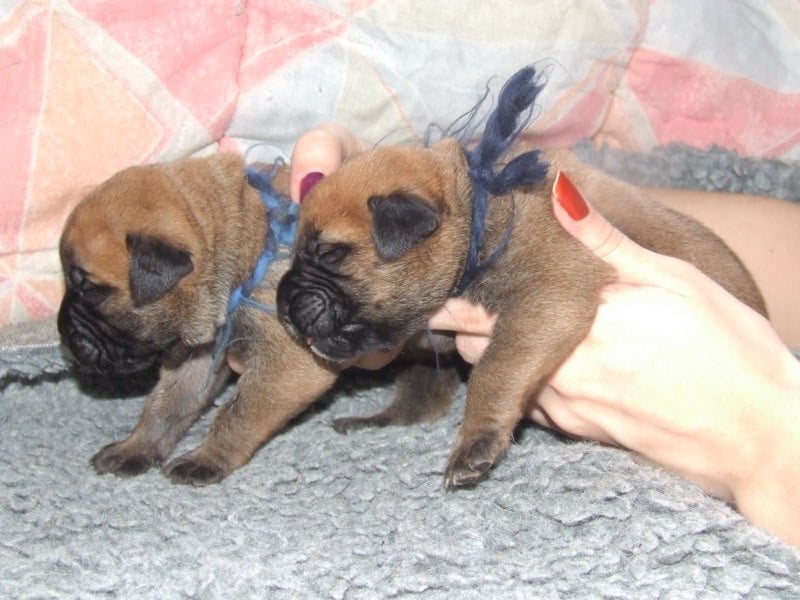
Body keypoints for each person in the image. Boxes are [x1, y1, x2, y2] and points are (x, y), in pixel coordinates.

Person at [287, 123, 800, 547]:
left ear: (412, 223)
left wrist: (763, 441)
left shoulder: (516, 230)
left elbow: (552, 301)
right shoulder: (487, 216)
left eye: (332, 257)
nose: (314, 281)